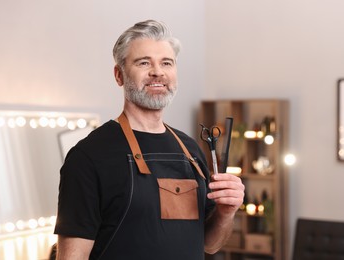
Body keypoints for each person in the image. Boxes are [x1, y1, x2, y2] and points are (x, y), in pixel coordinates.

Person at [54, 19, 245, 260]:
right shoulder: (89, 157)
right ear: (119, 75)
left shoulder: (190, 149)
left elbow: (210, 244)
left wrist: (226, 213)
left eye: (167, 62)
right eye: (144, 62)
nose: (158, 71)